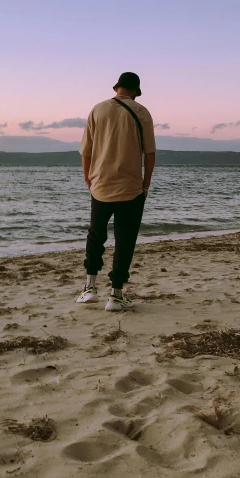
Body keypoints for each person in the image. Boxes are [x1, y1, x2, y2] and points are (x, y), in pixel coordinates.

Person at [78, 72, 156, 311]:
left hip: (100, 185)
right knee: (125, 240)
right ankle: (116, 294)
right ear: (135, 90)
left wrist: (88, 179)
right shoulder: (142, 112)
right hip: (131, 188)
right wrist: (145, 183)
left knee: (96, 235)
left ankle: (89, 288)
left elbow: (86, 151)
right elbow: (150, 153)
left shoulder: (97, 110)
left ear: (117, 87)